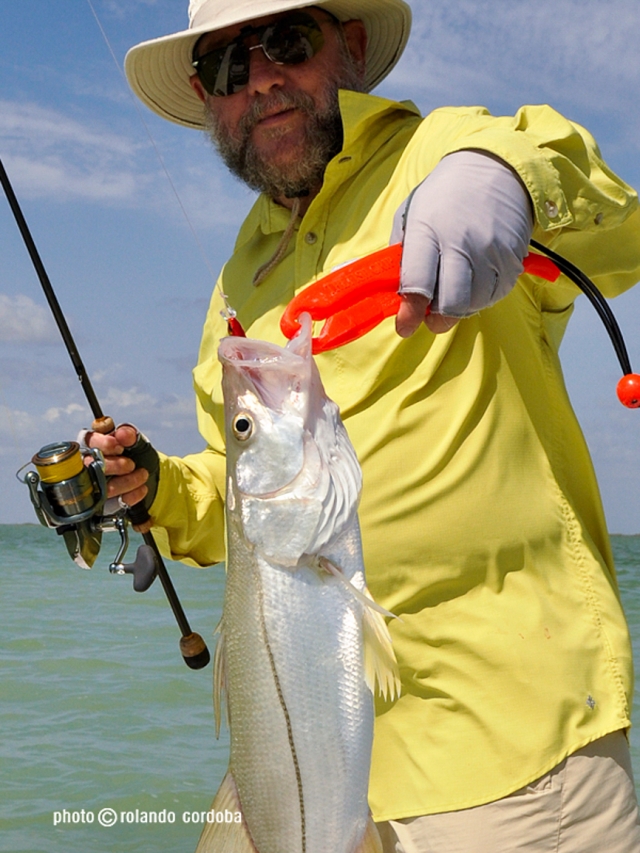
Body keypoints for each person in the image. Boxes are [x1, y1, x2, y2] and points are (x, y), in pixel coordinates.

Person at [88, 1, 640, 850]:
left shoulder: (442, 149)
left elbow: (617, 225)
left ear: (346, 46)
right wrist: (158, 484)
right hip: (297, 744)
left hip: (507, 752)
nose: (263, 77)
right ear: (209, 99)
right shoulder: (238, 274)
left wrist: (507, 178)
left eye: (286, 42)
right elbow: (241, 482)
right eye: (231, 67)